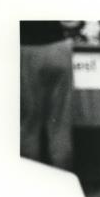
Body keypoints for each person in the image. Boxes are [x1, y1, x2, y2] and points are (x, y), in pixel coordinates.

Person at [20, 21, 78, 170]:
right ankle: (64, 181)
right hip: (58, 48)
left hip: (27, 49)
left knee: (29, 124)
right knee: (60, 122)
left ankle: (31, 182)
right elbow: (71, 22)